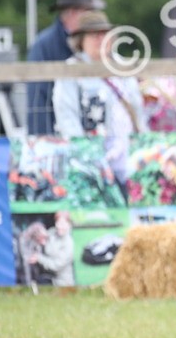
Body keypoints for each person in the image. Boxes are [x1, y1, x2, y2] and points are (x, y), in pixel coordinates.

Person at [52, 11, 146, 203]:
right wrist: (85, 156)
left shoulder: (123, 66)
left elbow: (137, 109)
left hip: (128, 157)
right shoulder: (71, 70)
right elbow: (67, 118)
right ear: (81, 40)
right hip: (93, 159)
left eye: (105, 34)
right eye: (95, 35)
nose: (101, 39)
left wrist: (143, 143)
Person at [27, 0, 104, 136]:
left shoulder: (97, 44)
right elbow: (38, 100)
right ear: (73, 13)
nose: (94, 16)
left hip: (95, 132)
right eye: (89, 11)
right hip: (58, 132)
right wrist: (43, 139)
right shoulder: (44, 46)